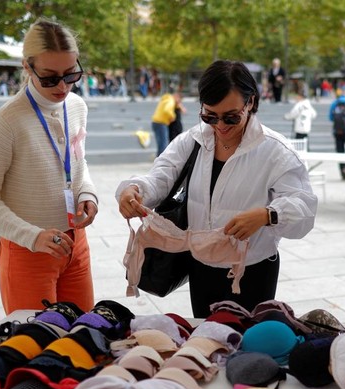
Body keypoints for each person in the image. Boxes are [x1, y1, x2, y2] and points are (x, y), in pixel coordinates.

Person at [116, 60, 317, 318]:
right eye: (209, 116)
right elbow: (161, 175)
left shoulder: (275, 151)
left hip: (252, 270)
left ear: (251, 103)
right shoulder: (194, 139)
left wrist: (268, 215)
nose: (220, 126)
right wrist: (135, 190)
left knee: (247, 346)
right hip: (200, 264)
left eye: (231, 117)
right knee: (206, 339)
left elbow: (305, 209)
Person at [0, 18, 98, 315]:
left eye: (71, 74)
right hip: (27, 250)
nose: (63, 86)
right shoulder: (7, 122)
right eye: (50, 78)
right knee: (36, 349)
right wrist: (32, 236)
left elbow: (79, 164)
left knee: (86, 339)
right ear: (27, 67)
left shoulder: (77, 106)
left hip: (75, 244)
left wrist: (87, 193)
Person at [151, 91, 177, 156]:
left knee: (160, 144)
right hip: (161, 123)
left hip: (155, 121)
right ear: (177, 97)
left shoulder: (165, 99)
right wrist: (173, 116)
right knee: (163, 144)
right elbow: (167, 110)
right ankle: (162, 162)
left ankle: (158, 160)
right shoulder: (171, 100)